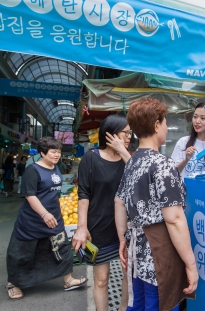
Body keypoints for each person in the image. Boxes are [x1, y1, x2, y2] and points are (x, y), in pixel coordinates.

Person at [115, 98, 198, 311]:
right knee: (159, 303)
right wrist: (191, 264)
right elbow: (175, 219)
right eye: (165, 122)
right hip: (159, 255)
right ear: (156, 125)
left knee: (140, 304)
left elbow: (119, 201)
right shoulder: (163, 164)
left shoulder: (132, 161)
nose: (167, 127)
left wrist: (122, 239)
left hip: (137, 253)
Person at [6, 137, 86, 300]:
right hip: (32, 221)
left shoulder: (55, 168)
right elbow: (30, 195)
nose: (57, 155)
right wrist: (44, 213)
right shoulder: (33, 170)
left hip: (53, 218)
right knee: (23, 253)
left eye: (58, 152)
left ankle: (68, 280)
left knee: (62, 247)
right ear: (42, 153)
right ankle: (14, 283)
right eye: (53, 152)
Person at [72, 114, 131, 311]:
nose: (130, 136)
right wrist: (82, 227)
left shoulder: (128, 158)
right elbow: (83, 194)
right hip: (98, 228)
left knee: (127, 275)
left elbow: (139, 179)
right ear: (111, 134)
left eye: (130, 133)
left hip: (125, 228)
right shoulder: (91, 158)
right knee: (101, 279)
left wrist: (123, 151)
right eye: (126, 132)